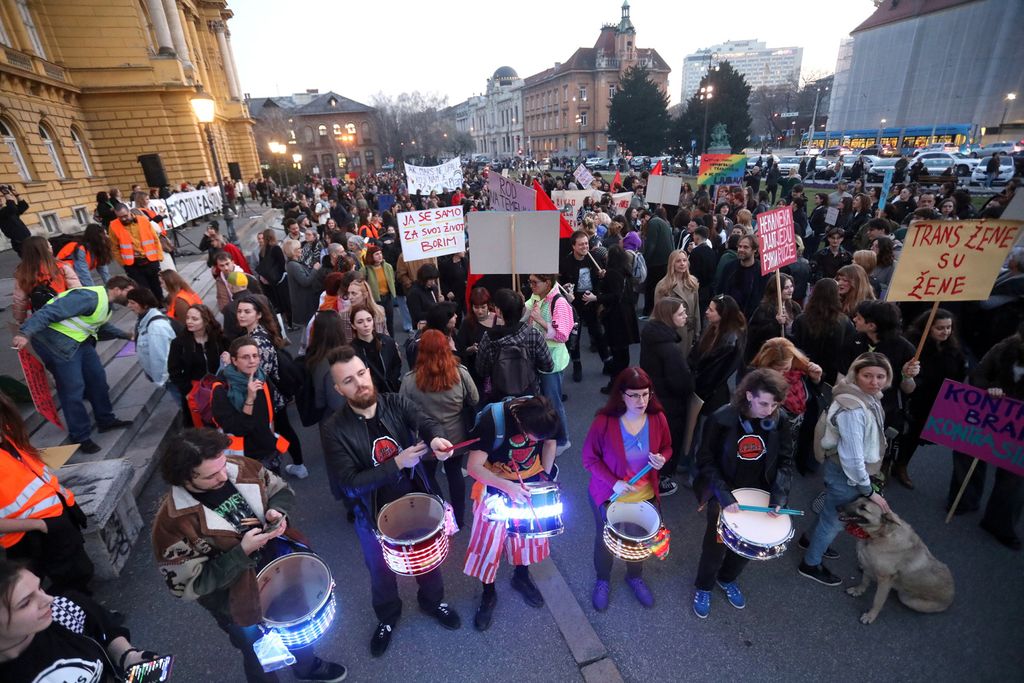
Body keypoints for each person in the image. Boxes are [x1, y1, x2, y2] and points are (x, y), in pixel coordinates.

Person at [152, 428, 347, 682]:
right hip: (238, 601)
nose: (224, 475)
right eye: (212, 476)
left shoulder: (240, 467)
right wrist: (241, 552)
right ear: (184, 478)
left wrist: (278, 511)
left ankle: (307, 667)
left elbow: (281, 490)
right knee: (259, 653)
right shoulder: (171, 524)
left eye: (223, 464)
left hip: (283, 570)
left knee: (297, 626)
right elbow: (189, 586)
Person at [319, 346, 459, 657]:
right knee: (380, 570)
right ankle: (387, 616)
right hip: (371, 513)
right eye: (349, 381)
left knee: (427, 557)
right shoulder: (333, 429)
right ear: (338, 389)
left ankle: (433, 601)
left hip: (414, 499)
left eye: (361, 374)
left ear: (368, 372)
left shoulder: (394, 402)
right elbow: (349, 483)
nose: (359, 384)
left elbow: (424, 421)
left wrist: (436, 437)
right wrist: (397, 463)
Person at [692, 368, 793, 617]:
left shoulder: (779, 420)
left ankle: (726, 579)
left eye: (775, 404)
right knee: (715, 545)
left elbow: (785, 460)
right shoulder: (722, 418)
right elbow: (705, 459)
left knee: (750, 544)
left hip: (760, 493)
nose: (769, 410)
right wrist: (724, 495)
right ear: (749, 395)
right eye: (764, 403)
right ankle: (704, 586)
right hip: (724, 493)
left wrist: (779, 496)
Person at [463, 395, 559, 630]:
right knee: (489, 544)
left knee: (527, 537)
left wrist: (543, 479)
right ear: (524, 427)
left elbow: (550, 443)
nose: (538, 440)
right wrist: (508, 487)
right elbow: (473, 466)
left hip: (528, 485)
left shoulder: (545, 417)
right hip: (495, 485)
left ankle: (521, 576)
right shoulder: (493, 421)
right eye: (535, 437)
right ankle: (488, 593)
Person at [799, 352, 894, 585]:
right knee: (834, 521)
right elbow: (852, 459)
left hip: (844, 472)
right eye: (868, 376)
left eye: (881, 376)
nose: (875, 382)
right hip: (847, 475)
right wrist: (868, 490)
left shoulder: (864, 396)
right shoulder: (853, 409)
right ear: (856, 375)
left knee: (829, 513)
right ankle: (810, 564)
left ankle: (808, 539)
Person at [11, 277, 135, 454]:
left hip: (79, 342)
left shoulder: (104, 304)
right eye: (129, 293)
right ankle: (80, 436)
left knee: (97, 379)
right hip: (57, 345)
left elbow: (99, 327)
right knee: (73, 390)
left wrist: (126, 335)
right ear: (116, 289)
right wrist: (25, 334)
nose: (132, 298)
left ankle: (106, 419)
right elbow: (48, 312)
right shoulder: (88, 297)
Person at [581, 368, 671, 611]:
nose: (641, 401)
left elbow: (667, 448)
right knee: (605, 539)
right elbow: (589, 459)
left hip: (644, 495)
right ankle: (602, 580)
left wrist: (662, 459)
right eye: (634, 395)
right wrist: (614, 482)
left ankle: (634, 576)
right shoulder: (604, 422)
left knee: (639, 541)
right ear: (621, 395)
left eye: (645, 394)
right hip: (609, 495)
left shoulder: (657, 419)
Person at [0, 560, 163, 682]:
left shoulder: (63, 610)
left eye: (39, 587)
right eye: (25, 603)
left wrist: (128, 657)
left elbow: (105, 632)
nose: (48, 599)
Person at [0, 394, 92, 596]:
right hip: (31, 534)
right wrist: (40, 525)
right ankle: (77, 620)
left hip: (57, 518)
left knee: (78, 576)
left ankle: (86, 616)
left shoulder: (7, 435)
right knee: (65, 584)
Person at [946, 322, 1023, 549]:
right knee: (967, 453)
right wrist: (990, 388)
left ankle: (999, 523)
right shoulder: (1004, 348)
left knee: (1013, 474)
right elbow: (978, 376)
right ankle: (963, 500)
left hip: (1018, 425)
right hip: (990, 412)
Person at [399, 330, 479, 528]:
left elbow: (403, 410)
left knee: (428, 477)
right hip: (456, 436)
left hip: (425, 440)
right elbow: (474, 399)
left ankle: (442, 514)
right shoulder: (460, 372)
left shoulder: (410, 380)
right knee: (454, 474)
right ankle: (459, 519)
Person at [842, 301, 919, 480]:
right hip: (853, 408)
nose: (854, 319)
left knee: (874, 454)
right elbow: (842, 375)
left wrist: (908, 377)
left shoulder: (905, 349)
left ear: (872, 325)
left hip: (884, 413)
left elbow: (908, 390)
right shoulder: (854, 339)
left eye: (859, 317)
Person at [893, 309, 968, 490]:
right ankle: (885, 464)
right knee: (896, 431)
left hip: (933, 400)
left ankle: (902, 464)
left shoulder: (954, 350)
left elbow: (958, 374)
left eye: (949, 327)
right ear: (928, 328)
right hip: (911, 396)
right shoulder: (913, 345)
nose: (945, 332)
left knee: (914, 435)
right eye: (940, 328)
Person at [234, 296, 307, 478]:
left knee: (276, 432)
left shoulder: (257, 341)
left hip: (267, 397)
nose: (241, 315)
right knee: (282, 430)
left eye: (247, 311)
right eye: (240, 311)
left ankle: (289, 465)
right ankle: (297, 464)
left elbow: (258, 374)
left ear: (258, 314)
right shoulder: (257, 334)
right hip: (270, 396)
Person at [639, 298, 694, 494]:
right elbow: (680, 382)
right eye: (680, 314)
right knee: (668, 440)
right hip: (670, 403)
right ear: (668, 317)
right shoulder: (670, 348)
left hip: (656, 397)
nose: (685, 317)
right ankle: (662, 479)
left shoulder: (651, 335)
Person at [476, 289, 553, 403]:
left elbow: (481, 370)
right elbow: (548, 366)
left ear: (498, 311)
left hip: (501, 398)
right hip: (530, 396)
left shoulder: (489, 338)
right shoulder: (533, 334)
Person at [525, 273, 574, 452]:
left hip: (553, 362)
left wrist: (539, 320)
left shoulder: (559, 302)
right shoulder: (538, 296)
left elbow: (562, 336)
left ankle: (563, 440)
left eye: (534, 282)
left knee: (554, 403)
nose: (531, 285)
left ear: (547, 282)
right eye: (529, 281)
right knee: (545, 401)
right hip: (540, 358)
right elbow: (524, 312)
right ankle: (549, 437)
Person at [560, 230, 610, 381]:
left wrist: (602, 277)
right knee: (575, 336)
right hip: (575, 304)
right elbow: (561, 283)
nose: (585, 247)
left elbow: (601, 281)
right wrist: (565, 286)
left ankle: (607, 361)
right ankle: (577, 364)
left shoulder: (594, 258)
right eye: (581, 244)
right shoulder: (566, 262)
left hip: (591, 301)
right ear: (574, 246)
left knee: (597, 333)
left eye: (587, 243)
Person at [689, 294, 747, 421]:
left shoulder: (728, 343)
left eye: (711, 310)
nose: (706, 312)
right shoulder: (713, 329)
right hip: (702, 392)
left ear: (723, 315)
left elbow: (712, 375)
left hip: (710, 398)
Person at [593, 246, 640, 392]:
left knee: (616, 350)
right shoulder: (626, 272)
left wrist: (597, 298)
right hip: (627, 314)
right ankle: (623, 379)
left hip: (615, 317)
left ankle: (615, 383)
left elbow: (613, 296)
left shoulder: (612, 273)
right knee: (623, 350)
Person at [790, 278, 855, 385]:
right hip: (831, 375)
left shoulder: (801, 319)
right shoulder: (844, 322)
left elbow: (795, 346)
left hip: (804, 370)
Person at [169, 303, 228, 419]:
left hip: (220, 387)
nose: (189, 321)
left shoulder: (219, 338)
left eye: (194, 319)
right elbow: (173, 371)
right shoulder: (179, 343)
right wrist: (187, 391)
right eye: (187, 318)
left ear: (206, 321)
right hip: (195, 390)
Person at [11, 235, 81, 325]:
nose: (52, 246)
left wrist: (19, 319)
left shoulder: (23, 272)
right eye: (49, 245)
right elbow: (77, 291)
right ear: (45, 250)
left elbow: (20, 300)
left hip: (41, 314)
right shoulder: (62, 267)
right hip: (65, 310)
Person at [108, 203, 164, 302]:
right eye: (120, 217)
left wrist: (159, 256)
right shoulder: (113, 225)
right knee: (142, 289)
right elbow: (114, 247)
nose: (124, 219)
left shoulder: (143, 220)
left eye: (125, 216)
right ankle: (150, 307)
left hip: (150, 260)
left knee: (156, 285)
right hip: (132, 264)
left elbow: (155, 239)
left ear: (129, 212)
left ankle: (161, 304)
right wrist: (123, 263)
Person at [125, 287, 176, 392]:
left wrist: (161, 381)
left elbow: (161, 356)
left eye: (132, 303)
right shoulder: (145, 320)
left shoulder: (155, 327)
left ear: (145, 304)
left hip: (171, 380)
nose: (129, 306)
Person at [744, 272, 801, 364]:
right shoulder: (764, 309)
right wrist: (775, 323)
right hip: (770, 358)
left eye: (791, 286)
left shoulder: (795, 307)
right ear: (776, 290)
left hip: (789, 356)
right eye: (786, 288)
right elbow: (754, 334)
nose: (790, 290)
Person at [653, 249, 701, 354]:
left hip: (689, 330)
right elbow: (658, 314)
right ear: (672, 263)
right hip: (672, 332)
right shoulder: (663, 285)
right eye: (678, 261)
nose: (682, 263)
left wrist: (697, 331)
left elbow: (696, 308)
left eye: (684, 260)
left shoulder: (692, 282)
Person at [350, 304, 402, 394]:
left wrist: (391, 380)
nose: (366, 325)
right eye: (360, 322)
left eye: (369, 320)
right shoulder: (351, 351)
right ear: (353, 325)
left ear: (373, 322)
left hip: (390, 392)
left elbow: (397, 364)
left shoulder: (387, 342)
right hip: (368, 394)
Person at [455, 286, 496, 389]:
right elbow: (459, 348)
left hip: (497, 370)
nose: (480, 311)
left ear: (488, 305)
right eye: (476, 307)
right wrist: (470, 349)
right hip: (476, 372)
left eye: (483, 307)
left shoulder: (498, 319)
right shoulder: (467, 323)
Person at [718, 235, 767, 320]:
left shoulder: (762, 271)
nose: (741, 249)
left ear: (754, 250)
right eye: (739, 246)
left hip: (752, 321)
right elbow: (720, 290)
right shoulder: (729, 268)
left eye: (745, 247)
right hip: (729, 318)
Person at [256, 229, 293, 329]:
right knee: (286, 301)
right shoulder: (276, 248)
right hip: (280, 279)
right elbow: (282, 264)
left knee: (277, 303)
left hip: (269, 281)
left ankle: (281, 325)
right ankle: (290, 323)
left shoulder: (262, 251)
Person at [641, 207, 674, 316]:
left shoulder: (653, 223)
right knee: (660, 289)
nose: (641, 224)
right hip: (665, 262)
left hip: (656, 263)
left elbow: (651, 245)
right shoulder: (663, 223)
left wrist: (644, 261)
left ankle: (648, 312)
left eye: (642, 221)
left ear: (646, 217)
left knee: (651, 288)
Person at [284, 238, 322, 329]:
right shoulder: (293, 265)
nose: (301, 250)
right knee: (310, 327)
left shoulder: (293, 264)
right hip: (304, 301)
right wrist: (315, 270)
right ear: (293, 251)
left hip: (304, 299)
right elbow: (305, 281)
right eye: (298, 249)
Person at [363, 244, 396, 336]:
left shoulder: (388, 266)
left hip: (388, 297)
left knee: (390, 322)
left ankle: (392, 341)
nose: (380, 256)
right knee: (378, 323)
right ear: (371, 256)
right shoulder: (365, 270)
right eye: (377, 254)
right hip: (375, 300)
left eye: (380, 253)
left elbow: (392, 279)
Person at [406, 263, 441, 329]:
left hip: (435, 324)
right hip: (423, 326)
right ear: (423, 278)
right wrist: (435, 313)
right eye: (430, 280)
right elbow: (417, 315)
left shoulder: (433, 288)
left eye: (434, 279)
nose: (433, 282)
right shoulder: (414, 293)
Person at [0, 185, 30, 255]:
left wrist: (15, 193)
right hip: (19, 242)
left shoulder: (5, 210)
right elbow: (12, 208)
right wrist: (6, 193)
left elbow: (23, 206)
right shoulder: (3, 212)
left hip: (28, 238)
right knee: (31, 262)